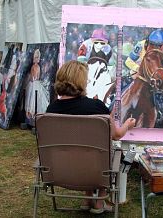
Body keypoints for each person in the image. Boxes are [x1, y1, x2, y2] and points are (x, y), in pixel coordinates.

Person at [46, 60, 136, 214]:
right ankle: (99, 202)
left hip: (62, 169)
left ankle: (87, 198)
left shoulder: (51, 109)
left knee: (79, 149)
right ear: (81, 81)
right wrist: (128, 124)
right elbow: (116, 135)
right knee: (106, 151)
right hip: (94, 169)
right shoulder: (96, 107)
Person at [25, 49, 49, 123]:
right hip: (35, 83)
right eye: (36, 58)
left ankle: (33, 112)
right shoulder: (36, 67)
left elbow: (33, 77)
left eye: (37, 58)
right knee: (34, 98)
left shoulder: (35, 67)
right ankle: (32, 113)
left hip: (34, 83)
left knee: (33, 98)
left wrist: (33, 79)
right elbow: (36, 76)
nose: (37, 59)